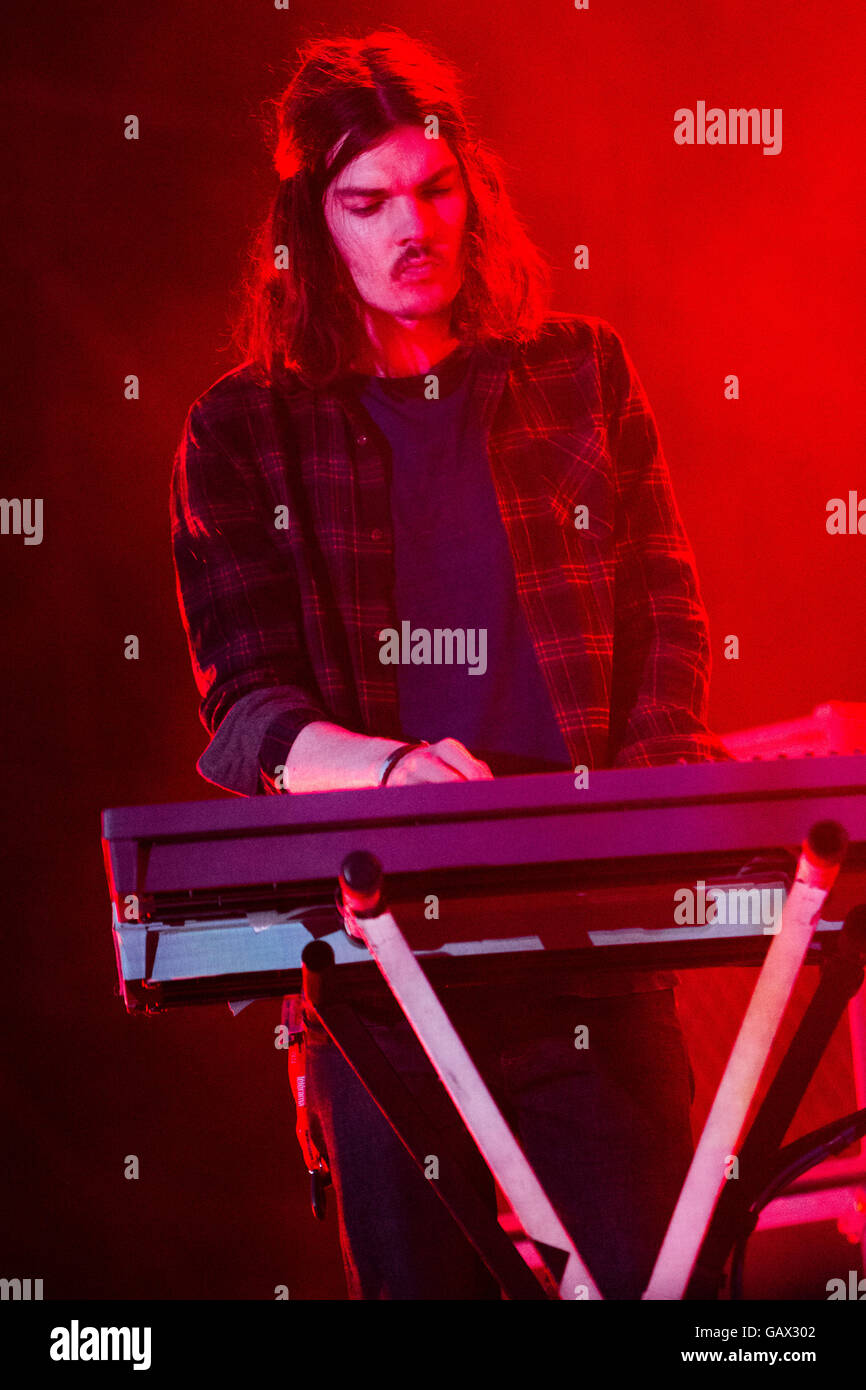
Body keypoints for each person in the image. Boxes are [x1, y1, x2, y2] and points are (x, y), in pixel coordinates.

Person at [170, 28, 732, 1299]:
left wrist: (648, 824)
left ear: (472, 190)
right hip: (381, 982)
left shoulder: (576, 372)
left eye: (433, 189)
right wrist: (395, 768)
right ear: (312, 229)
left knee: (674, 1295)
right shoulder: (240, 430)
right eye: (367, 204)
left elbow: (667, 616)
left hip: (590, 949)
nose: (410, 227)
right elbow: (249, 713)